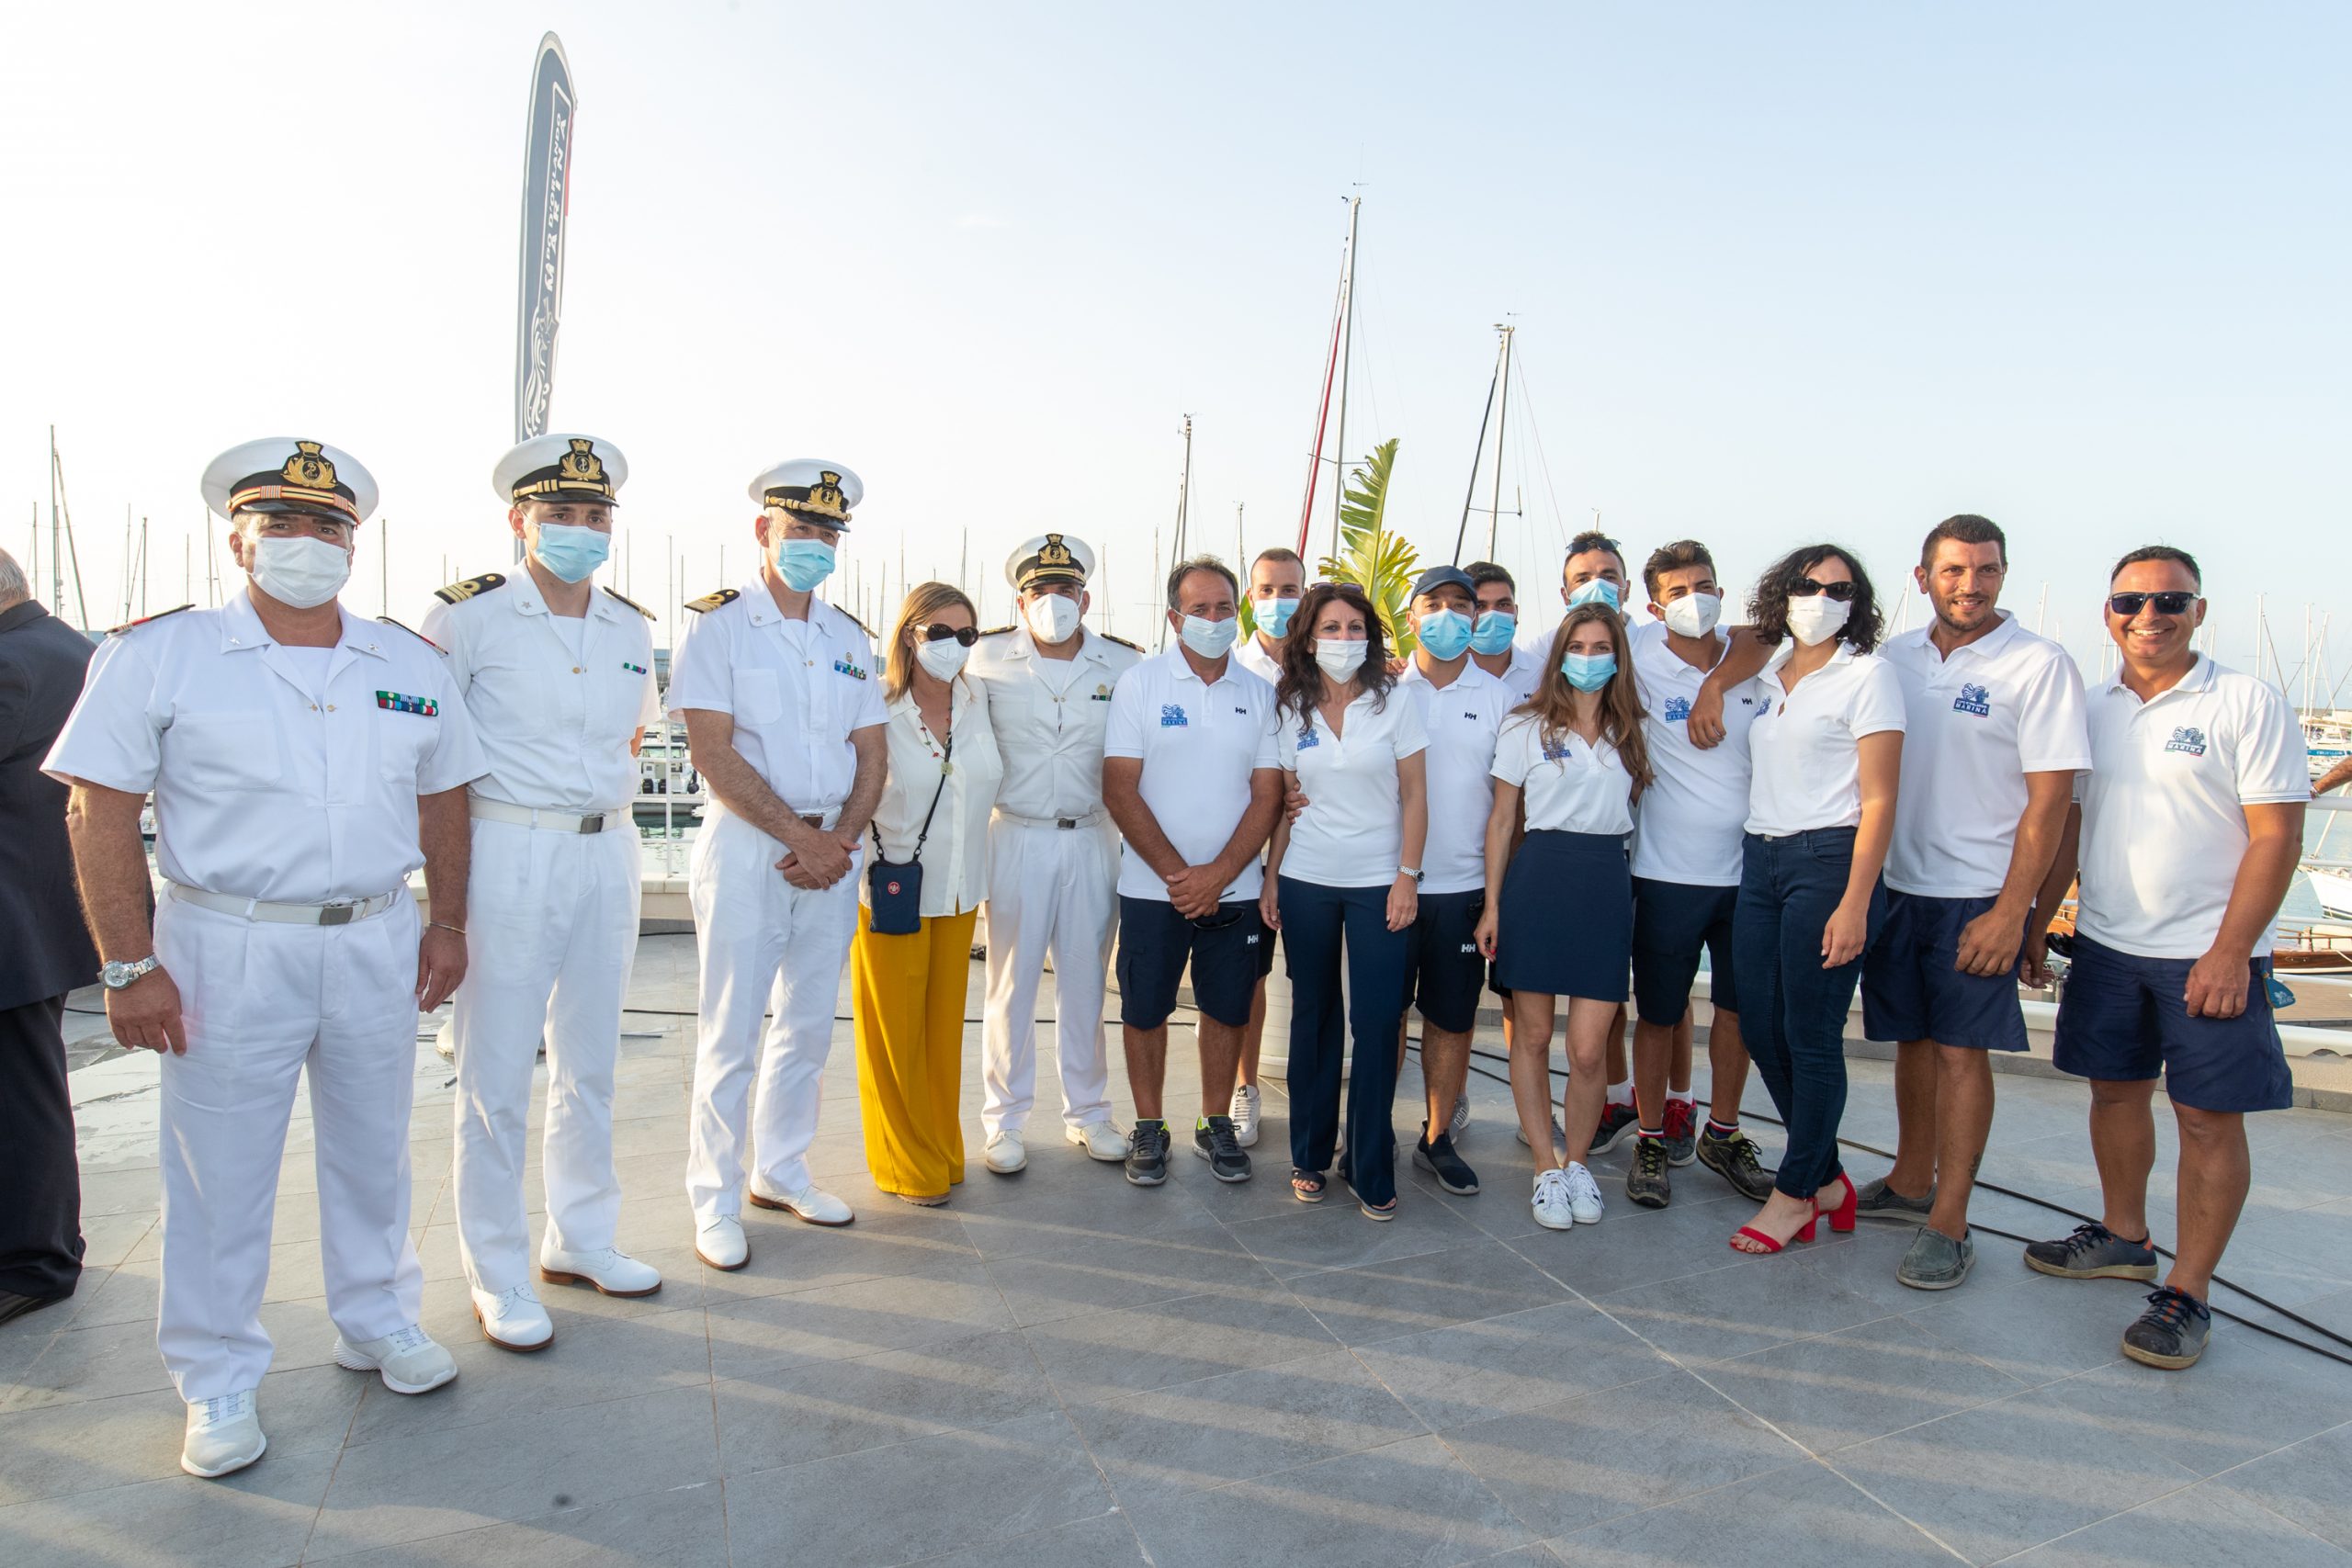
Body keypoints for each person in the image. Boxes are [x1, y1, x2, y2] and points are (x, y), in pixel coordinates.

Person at [47, 438, 482, 1479]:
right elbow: (96, 810)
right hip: (225, 943)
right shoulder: (161, 654)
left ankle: (375, 1318)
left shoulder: (406, 662)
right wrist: (125, 964)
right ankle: (216, 1373)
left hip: (376, 933)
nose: (307, 543)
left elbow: (445, 799)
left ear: (355, 541)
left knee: (375, 1147)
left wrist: (447, 922)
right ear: (236, 537)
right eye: (281, 523)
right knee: (219, 1171)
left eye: (328, 526)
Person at [2025, 547, 2305, 1371]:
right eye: (2129, 601)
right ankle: (2124, 1234)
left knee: (2206, 1119)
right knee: (2115, 1095)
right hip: (2109, 944)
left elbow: (2277, 836)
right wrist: (2041, 922)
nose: (2149, 616)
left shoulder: (2245, 702)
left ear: (2199, 610)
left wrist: (2229, 952)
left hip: (2206, 955)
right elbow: (2071, 823)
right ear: (2108, 611)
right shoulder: (2090, 704)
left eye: (2169, 601)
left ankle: (2189, 1289)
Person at [421, 435, 665, 1353]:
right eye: (560, 514)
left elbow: (633, 743)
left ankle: (582, 1236)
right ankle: (498, 1271)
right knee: (493, 1074)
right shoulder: (466, 619)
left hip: (606, 851)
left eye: (595, 516)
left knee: (591, 1059)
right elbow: (429, 757)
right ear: (518, 520)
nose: (579, 530)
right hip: (507, 844)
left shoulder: (629, 627)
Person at [1857, 516, 2088, 1292]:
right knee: (1913, 1043)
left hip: (1978, 895)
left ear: (2003, 573)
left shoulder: (2038, 664)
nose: (1971, 584)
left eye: (1986, 570)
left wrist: (2015, 913)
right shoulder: (1892, 660)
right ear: (1923, 577)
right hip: (1899, 889)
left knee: (1961, 1051)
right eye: (1954, 570)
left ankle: (1950, 1219)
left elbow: (2053, 803)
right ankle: (1910, 1175)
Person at [668, 460, 886, 1270]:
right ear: (765, 531)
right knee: (731, 1028)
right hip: (750, 846)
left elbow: (872, 750)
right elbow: (711, 750)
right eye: (803, 530)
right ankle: (714, 1198)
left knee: (804, 1025)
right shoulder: (718, 626)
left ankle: (781, 1166)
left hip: (833, 850)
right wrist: (800, 835)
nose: (817, 544)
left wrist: (839, 838)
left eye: (830, 533)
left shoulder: (846, 637)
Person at [1728, 545, 1905, 1255]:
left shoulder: (1868, 675)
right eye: (1807, 584)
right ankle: (1828, 1176)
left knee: (1810, 1034)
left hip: (1829, 860)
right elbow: (1734, 641)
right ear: (1783, 592)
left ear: (1857, 602)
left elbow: (1882, 797)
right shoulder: (1769, 673)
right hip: (1760, 857)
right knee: (1760, 1026)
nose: (1821, 596)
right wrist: (1714, 688)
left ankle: (1796, 1191)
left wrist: (1857, 901)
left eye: (1839, 587)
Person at [1101, 555, 1282, 1186]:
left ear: (1239, 613)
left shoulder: (1261, 695)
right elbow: (1121, 790)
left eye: (1223, 608)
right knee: (1144, 1009)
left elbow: (1268, 795)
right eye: (1199, 608)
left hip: (1235, 887)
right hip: (1153, 888)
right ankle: (1149, 1125)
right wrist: (1184, 876)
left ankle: (1214, 1120)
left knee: (1228, 1008)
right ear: (1174, 616)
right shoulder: (1141, 685)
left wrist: (1219, 874)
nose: (1212, 619)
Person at [1476, 603, 1651, 1231]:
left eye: (1601, 645)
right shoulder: (1525, 725)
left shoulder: (1634, 728)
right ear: (1560, 654)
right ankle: (1545, 1166)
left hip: (1604, 882)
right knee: (1531, 1035)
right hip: (1538, 879)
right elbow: (1501, 821)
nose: (1588, 656)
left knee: (1587, 1048)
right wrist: (1492, 904)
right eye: (1577, 645)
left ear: (1618, 655)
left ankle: (1579, 1164)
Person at [969, 535, 1140, 1172]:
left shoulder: (1123, 665)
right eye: (1041, 590)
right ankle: (1004, 1121)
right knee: (1010, 986)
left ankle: (1089, 1113)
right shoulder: (983, 658)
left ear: (1085, 597)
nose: (1053, 601)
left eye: (1065, 589)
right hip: (1014, 833)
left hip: (1094, 836)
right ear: (1021, 599)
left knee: (1085, 983)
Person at [1261, 581, 1429, 1218]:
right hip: (1306, 879)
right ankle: (1308, 1153)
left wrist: (1408, 874)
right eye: (1330, 628)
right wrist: (1273, 875)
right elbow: (1283, 801)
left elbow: (1415, 794)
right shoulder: (1288, 708)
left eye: (1355, 628)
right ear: (1307, 638)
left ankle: (1368, 1159)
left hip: (1379, 882)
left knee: (1379, 1021)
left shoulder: (1396, 703)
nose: (1343, 639)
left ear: (1371, 636)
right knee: (1315, 1015)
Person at [1623, 541, 1777, 1209]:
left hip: (1749, 873)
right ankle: (1652, 1138)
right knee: (1658, 1014)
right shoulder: (1637, 660)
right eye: (1679, 590)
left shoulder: (1754, 660)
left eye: (1706, 584)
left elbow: (1764, 632)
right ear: (1655, 605)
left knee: (1738, 1012)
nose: (1696, 598)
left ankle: (1723, 1130)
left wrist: (1716, 681)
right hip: (1665, 873)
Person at [852, 582, 1003, 1204]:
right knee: (893, 1035)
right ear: (909, 634)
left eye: (966, 634)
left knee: (943, 1031)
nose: (954, 645)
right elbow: (851, 794)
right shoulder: (877, 707)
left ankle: (941, 1143)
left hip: (962, 890)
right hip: (895, 894)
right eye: (938, 632)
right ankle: (901, 1159)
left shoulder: (980, 698)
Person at [0, 547, 99, 1325]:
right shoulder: (72, 648)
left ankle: (36, 1258)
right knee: (33, 1086)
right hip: (43, 910)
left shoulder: (14, 664)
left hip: (14, 920)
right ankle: (43, 1242)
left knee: (22, 1095)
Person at [1394, 565, 1511, 1195]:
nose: (1447, 615)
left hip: (1463, 891)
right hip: (1389, 890)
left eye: (1460, 605)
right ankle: (1368, 1130)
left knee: (1452, 1020)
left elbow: (1505, 811)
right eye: (1432, 603)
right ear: (1409, 617)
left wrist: (1495, 901)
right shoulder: (1382, 691)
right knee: (1386, 1017)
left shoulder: (1499, 700)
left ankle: (1438, 1136)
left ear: (1476, 618)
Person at [1229, 545, 1306, 1144]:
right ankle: (1243, 1086)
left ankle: (1312, 1093)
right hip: (1246, 852)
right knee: (1247, 978)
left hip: (1314, 851)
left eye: (1290, 589)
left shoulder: (1325, 667)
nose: (1280, 601)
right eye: (1268, 589)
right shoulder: (1231, 670)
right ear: (1249, 598)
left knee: (1314, 977)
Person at [1465, 560, 1542, 702]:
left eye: (1503, 604)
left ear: (1516, 612)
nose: (1493, 614)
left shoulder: (1543, 674)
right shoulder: (1446, 676)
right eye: (1480, 606)